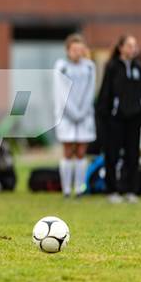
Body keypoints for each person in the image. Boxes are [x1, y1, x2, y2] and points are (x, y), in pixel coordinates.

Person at [96, 35, 141, 204]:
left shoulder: (139, 67)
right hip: (116, 119)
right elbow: (105, 93)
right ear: (121, 48)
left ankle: (130, 190)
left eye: (135, 45)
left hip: (135, 118)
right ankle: (112, 190)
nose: (133, 48)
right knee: (112, 154)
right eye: (130, 45)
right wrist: (105, 115)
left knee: (132, 155)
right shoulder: (112, 67)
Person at [53, 34, 96, 198]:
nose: (77, 53)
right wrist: (73, 112)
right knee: (67, 151)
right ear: (68, 50)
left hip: (85, 115)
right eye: (74, 50)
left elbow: (90, 91)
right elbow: (61, 92)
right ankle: (65, 189)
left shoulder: (90, 67)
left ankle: (79, 188)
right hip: (66, 115)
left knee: (80, 152)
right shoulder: (61, 66)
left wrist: (82, 112)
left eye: (80, 49)